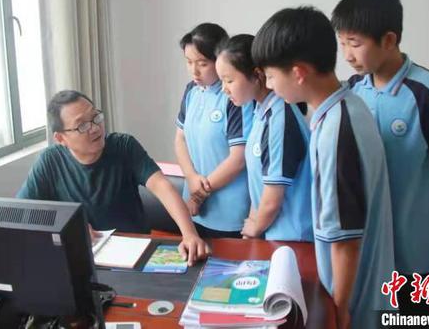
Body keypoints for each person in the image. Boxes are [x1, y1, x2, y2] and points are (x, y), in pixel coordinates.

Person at [332, 0, 429, 314]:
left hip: (418, 253)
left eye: (355, 44)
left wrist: (415, 178)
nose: (348, 56)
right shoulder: (353, 90)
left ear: (389, 39)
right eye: (343, 44)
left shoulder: (428, 90)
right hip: (369, 246)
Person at [251, 6, 395, 328]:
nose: (270, 85)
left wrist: (339, 312)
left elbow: (345, 242)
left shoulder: (336, 130)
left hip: (357, 303)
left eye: (272, 76)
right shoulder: (345, 107)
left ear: (299, 72)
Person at [17, 90, 210, 266]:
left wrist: (189, 234)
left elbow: (161, 185)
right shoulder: (50, 161)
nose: (94, 128)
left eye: (95, 117)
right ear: (60, 138)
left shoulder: (123, 146)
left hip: (136, 254)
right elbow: (22, 212)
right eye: (82, 126)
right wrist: (69, 226)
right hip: (83, 258)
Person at [215, 34, 313, 241]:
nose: (224, 89)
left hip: (293, 239)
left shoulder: (280, 118)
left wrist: (254, 228)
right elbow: (260, 183)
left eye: (229, 80)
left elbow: (272, 199)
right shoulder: (260, 112)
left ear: (257, 75)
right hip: (271, 234)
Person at [175, 23, 254, 238]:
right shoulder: (192, 91)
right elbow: (180, 139)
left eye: (202, 63)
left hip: (228, 210)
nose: (194, 70)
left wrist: (199, 195)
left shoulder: (235, 96)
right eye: (189, 62)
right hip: (193, 206)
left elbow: (238, 159)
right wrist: (191, 177)